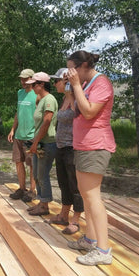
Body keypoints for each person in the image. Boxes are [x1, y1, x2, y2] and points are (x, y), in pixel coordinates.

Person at [65, 50, 116, 266]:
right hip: (83, 145)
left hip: (96, 146)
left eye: (72, 69)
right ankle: (90, 239)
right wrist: (72, 89)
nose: (70, 73)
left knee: (93, 197)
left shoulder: (101, 83)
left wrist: (76, 86)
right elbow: (75, 108)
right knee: (86, 196)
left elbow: (88, 113)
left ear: (84, 66)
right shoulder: (85, 85)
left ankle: (103, 250)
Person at [45, 68, 83, 234]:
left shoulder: (75, 99)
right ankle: (63, 215)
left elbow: (79, 116)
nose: (55, 84)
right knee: (63, 183)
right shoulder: (63, 100)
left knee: (75, 185)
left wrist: (71, 94)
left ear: (66, 82)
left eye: (57, 81)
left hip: (72, 147)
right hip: (61, 146)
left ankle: (76, 220)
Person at [25, 72, 58, 216]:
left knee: (42, 174)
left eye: (33, 84)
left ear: (42, 84)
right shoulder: (42, 99)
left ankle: (45, 206)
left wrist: (35, 142)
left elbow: (47, 122)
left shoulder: (49, 99)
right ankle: (41, 202)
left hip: (47, 143)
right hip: (39, 143)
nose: (31, 87)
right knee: (37, 175)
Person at [8, 69, 37, 202]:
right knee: (18, 162)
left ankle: (32, 190)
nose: (23, 81)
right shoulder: (20, 93)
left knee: (32, 164)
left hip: (31, 135)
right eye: (21, 79)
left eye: (25, 79)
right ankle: (22, 188)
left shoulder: (37, 94)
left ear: (32, 78)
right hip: (19, 134)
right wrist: (13, 129)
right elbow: (18, 113)